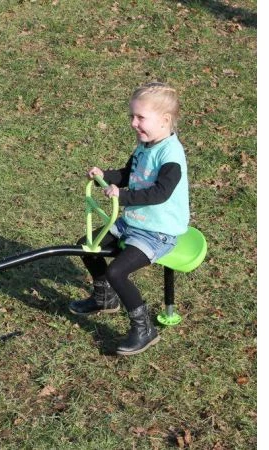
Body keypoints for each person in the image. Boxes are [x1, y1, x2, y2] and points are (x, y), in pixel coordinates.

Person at [69, 82, 189, 356]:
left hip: (157, 231)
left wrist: (122, 196)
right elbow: (129, 174)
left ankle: (144, 329)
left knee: (117, 272)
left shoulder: (171, 155)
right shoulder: (144, 146)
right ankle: (105, 298)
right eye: (132, 116)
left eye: (140, 117)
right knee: (86, 245)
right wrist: (106, 176)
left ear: (164, 120)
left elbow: (160, 193)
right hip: (134, 221)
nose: (134, 123)